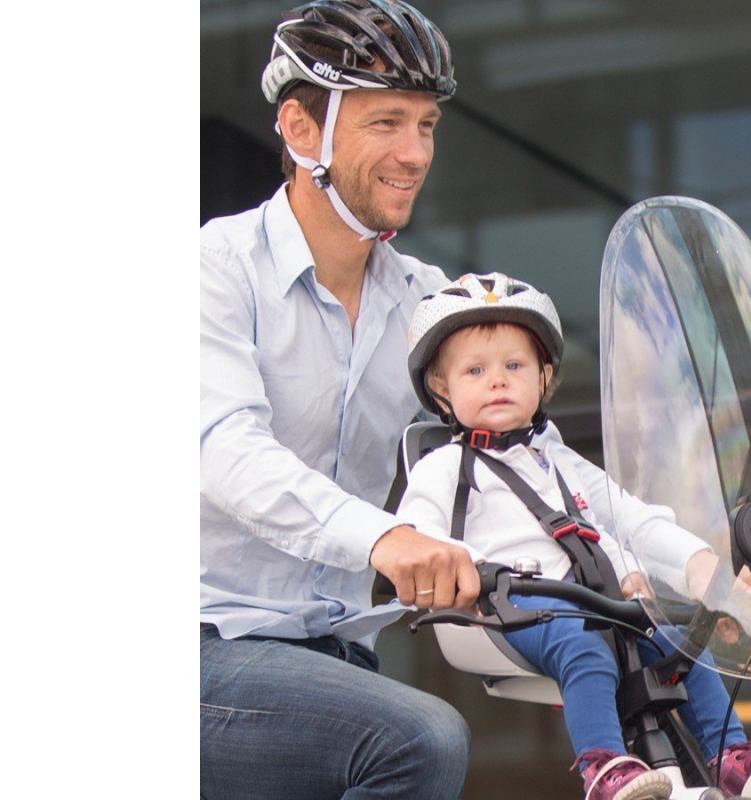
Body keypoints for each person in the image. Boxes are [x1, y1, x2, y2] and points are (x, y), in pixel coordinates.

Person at [397, 272, 751, 800]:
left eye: (514, 366)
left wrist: (704, 575)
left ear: (543, 377)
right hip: (517, 606)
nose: (498, 381)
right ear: (442, 389)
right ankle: (602, 767)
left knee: (681, 642)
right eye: (475, 370)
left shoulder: (559, 461)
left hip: (597, 604)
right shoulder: (444, 466)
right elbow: (415, 536)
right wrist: (461, 566)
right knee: (584, 647)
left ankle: (731, 758)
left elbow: (629, 520)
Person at [200, 3, 480, 798]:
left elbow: (512, 456)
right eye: (386, 122)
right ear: (300, 129)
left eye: (426, 126)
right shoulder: (213, 269)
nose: (413, 153)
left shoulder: (428, 303)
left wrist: (673, 571)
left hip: (334, 657)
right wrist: (384, 537)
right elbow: (225, 449)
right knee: (417, 740)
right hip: (200, 638)